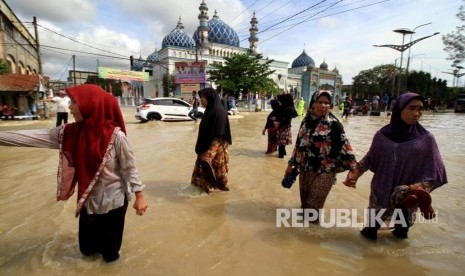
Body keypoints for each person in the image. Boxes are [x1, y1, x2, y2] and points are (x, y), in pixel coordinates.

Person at [0, 84, 148, 262]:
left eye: (74, 102)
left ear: (90, 104)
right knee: (86, 250)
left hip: (113, 203)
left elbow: (129, 168)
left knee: (109, 255)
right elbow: (33, 137)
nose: (70, 107)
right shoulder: (70, 133)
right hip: (89, 201)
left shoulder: (116, 136)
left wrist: (139, 195)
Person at [344, 92, 447, 240]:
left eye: (420, 109)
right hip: (382, 189)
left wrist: (420, 187)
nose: (416, 113)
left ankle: (410, 195)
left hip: (408, 191)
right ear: (399, 109)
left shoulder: (426, 138)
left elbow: (435, 168)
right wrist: (355, 173)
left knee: (401, 233)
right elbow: (370, 158)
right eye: (411, 108)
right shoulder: (382, 135)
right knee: (370, 231)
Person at [284, 91, 358, 222]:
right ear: (313, 103)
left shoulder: (335, 125)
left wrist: (354, 171)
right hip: (306, 169)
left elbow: (346, 147)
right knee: (305, 206)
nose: (323, 105)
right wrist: (290, 165)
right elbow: (298, 144)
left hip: (325, 171)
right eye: (320, 102)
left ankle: (311, 239)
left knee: (313, 208)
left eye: (327, 103)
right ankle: (301, 236)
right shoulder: (306, 121)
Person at [191, 88, 232, 193]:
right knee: (203, 174)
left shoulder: (219, 113)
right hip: (206, 147)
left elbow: (219, 135)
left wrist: (208, 154)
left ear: (210, 98)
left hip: (215, 149)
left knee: (217, 172)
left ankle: (215, 194)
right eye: (201, 99)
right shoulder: (209, 111)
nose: (201, 101)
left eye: (203, 98)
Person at [276, 93, 298, 158]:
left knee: (281, 144)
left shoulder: (289, 109)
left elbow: (287, 121)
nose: (279, 102)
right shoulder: (284, 107)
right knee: (282, 144)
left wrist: (278, 123)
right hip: (282, 128)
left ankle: (280, 158)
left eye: (280, 100)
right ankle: (282, 155)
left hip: (284, 128)